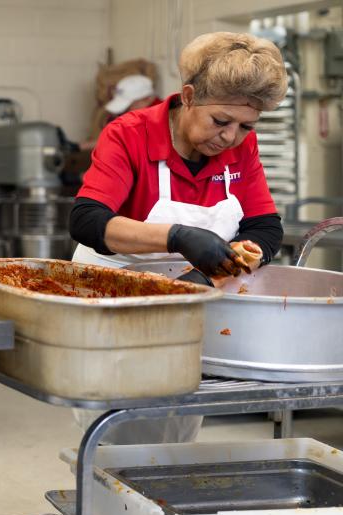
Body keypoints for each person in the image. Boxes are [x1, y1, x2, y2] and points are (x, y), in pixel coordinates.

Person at [69, 32, 288, 444]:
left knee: (178, 420)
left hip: (191, 301)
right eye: (220, 121)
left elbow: (265, 228)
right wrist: (177, 236)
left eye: (245, 126)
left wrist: (219, 271)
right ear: (188, 96)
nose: (230, 138)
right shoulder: (129, 134)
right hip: (114, 298)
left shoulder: (242, 147)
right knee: (114, 425)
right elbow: (88, 221)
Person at [80, 74, 161, 151]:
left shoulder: (161, 117)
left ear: (146, 99)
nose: (124, 112)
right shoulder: (140, 114)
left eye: (128, 106)